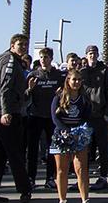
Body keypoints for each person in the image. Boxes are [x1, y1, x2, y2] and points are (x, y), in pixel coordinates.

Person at [0, 34, 33, 203]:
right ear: (11, 45)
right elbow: (5, 88)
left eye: (25, 44)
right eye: (20, 44)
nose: (23, 47)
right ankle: (25, 190)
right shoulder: (10, 61)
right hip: (4, 113)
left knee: (0, 157)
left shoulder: (15, 61)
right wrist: (6, 112)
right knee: (15, 153)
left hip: (6, 111)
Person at [25, 47, 65, 190]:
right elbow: (23, 97)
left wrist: (60, 94)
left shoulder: (58, 75)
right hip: (35, 116)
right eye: (41, 57)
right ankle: (31, 178)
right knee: (33, 149)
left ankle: (50, 178)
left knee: (52, 149)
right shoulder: (33, 75)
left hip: (52, 117)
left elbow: (64, 95)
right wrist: (29, 89)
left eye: (46, 57)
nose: (43, 59)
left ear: (51, 58)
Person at [50, 70, 92, 203]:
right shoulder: (59, 96)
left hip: (79, 135)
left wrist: (79, 132)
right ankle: (62, 199)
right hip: (61, 135)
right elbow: (54, 117)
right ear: (68, 80)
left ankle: (85, 199)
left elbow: (87, 117)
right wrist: (66, 131)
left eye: (79, 79)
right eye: (74, 79)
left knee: (81, 168)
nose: (77, 82)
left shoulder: (84, 98)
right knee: (62, 169)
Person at [80, 45, 108, 190]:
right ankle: (82, 178)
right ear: (86, 55)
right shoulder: (82, 71)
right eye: (89, 53)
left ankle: (103, 177)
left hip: (100, 115)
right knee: (83, 148)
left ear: (98, 54)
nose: (92, 56)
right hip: (85, 116)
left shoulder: (104, 70)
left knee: (103, 147)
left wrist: (107, 113)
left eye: (94, 53)